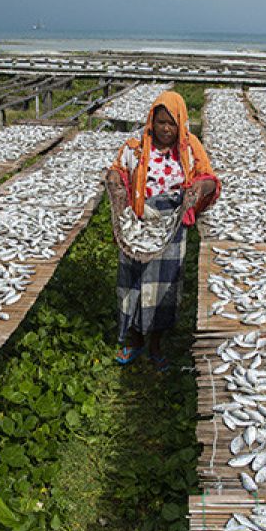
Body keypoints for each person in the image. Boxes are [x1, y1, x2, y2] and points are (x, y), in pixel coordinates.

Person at [105, 90, 220, 371]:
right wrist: (115, 182)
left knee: (164, 287)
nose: (166, 129)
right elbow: (118, 171)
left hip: (172, 226)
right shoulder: (135, 147)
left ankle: (156, 343)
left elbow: (209, 179)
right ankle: (133, 339)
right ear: (151, 122)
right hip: (139, 222)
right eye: (160, 122)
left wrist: (199, 189)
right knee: (132, 283)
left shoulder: (190, 148)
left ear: (181, 123)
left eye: (172, 123)